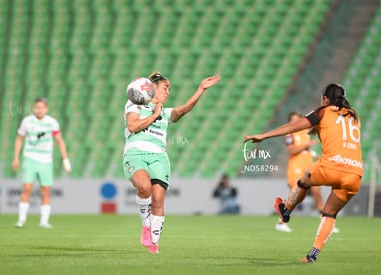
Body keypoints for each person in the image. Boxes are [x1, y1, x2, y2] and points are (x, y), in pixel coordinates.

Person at [244, 84, 362, 263]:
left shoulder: (323, 111)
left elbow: (295, 127)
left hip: (331, 166)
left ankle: (286, 211)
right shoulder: (354, 116)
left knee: (304, 180)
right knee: (329, 214)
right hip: (355, 173)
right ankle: (312, 255)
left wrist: (264, 135)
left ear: (325, 98)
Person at [123, 72, 221, 253]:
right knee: (144, 188)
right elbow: (133, 126)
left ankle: (154, 243)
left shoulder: (166, 113)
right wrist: (154, 115)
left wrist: (201, 89)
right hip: (135, 154)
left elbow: (183, 109)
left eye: (169, 89)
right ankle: (146, 226)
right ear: (152, 88)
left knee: (158, 201)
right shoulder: (135, 104)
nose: (168, 92)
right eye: (165, 87)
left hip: (159, 157)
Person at [12, 98, 71, 228]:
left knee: (45, 190)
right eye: (37, 107)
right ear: (34, 108)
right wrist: (15, 158)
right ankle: (21, 220)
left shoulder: (52, 123)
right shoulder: (27, 121)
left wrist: (65, 159)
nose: (40, 110)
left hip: (46, 160)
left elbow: (60, 141)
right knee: (27, 188)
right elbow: (19, 139)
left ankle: (44, 221)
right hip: (30, 157)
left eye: (42, 107)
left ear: (46, 109)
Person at [275, 111, 322, 232]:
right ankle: (281, 222)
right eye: (292, 120)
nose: (294, 122)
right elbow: (291, 151)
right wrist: (306, 144)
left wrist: (316, 156)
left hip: (307, 164)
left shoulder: (305, 133)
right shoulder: (290, 134)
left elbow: (307, 150)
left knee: (316, 190)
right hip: (296, 165)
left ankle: (324, 221)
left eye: (296, 120)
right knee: (295, 193)